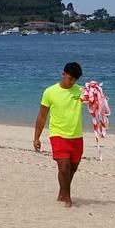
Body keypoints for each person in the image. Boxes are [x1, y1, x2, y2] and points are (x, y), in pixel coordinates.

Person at [33, 62, 85, 207]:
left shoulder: (80, 91)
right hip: (58, 134)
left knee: (72, 168)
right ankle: (67, 199)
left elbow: (94, 103)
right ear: (63, 74)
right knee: (63, 168)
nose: (72, 82)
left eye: (75, 80)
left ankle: (62, 193)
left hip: (76, 136)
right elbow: (42, 116)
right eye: (70, 79)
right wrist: (36, 137)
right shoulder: (50, 92)